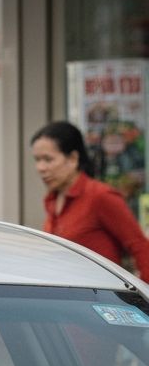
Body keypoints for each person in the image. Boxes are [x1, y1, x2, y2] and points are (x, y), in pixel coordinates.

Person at [31, 120, 149, 280]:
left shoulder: (100, 196)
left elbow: (140, 246)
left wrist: (143, 291)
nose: (41, 168)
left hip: (99, 292)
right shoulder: (53, 199)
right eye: (37, 160)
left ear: (73, 159)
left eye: (48, 159)